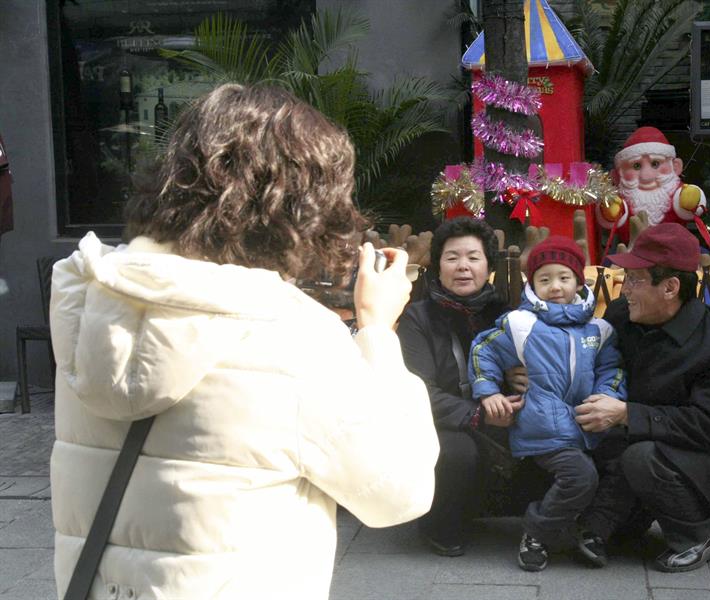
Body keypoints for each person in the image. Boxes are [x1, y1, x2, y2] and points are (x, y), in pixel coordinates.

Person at [50, 84, 439, 600]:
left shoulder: (93, 297)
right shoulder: (293, 334)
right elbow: (398, 491)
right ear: (301, 207)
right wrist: (375, 331)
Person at [571, 222, 710, 572]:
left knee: (641, 457)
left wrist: (627, 414)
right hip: (644, 438)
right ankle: (610, 524)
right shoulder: (622, 316)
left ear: (671, 287)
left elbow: (708, 426)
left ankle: (697, 536)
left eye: (635, 280)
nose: (624, 288)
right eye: (626, 277)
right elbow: (591, 361)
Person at [469, 236, 626, 572]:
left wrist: (608, 396)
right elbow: (485, 350)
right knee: (581, 476)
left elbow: (611, 369)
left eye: (564, 278)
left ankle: (587, 532)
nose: (555, 286)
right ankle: (536, 532)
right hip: (544, 427)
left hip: (588, 424)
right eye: (545, 279)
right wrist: (489, 392)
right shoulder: (522, 325)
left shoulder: (598, 330)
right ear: (532, 284)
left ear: (578, 282)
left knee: (622, 463)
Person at [396, 216, 518, 557]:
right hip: (439, 421)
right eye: (452, 257)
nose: (463, 267)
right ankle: (439, 524)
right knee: (456, 452)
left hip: (498, 415)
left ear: (488, 266)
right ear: (438, 266)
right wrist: (478, 414)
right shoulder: (417, 317)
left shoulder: (507, 316)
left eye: (473, 257)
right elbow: (417, 390)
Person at [596, 126, 708, 244]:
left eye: (655, 163)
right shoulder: (622, 198)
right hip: (631, 254)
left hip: (673, 252)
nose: (646, 176)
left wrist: (691, 200)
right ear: (617, 175)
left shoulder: (677, 193)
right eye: (636, 166)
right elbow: (610, 219)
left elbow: (694, 207)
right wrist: (609, 211)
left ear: (676, 167)